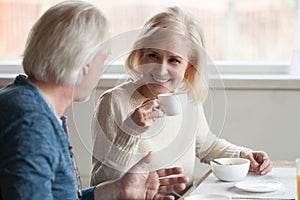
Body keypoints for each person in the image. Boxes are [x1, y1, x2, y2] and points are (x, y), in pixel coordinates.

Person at [0, 1, 190, 200]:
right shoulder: (31, 123)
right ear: (85, 64)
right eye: (103, 60)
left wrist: (118, 189)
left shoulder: (31, 105)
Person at [90, 6, 273, 188]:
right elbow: (100, 184)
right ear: (140, 56)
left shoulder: (186, 99)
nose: (161, 69)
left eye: (174, 60)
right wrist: (131, 130)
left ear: (189, 68)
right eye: (153, 55)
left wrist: (243, 154)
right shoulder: (114, 101)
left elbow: (207, 146)